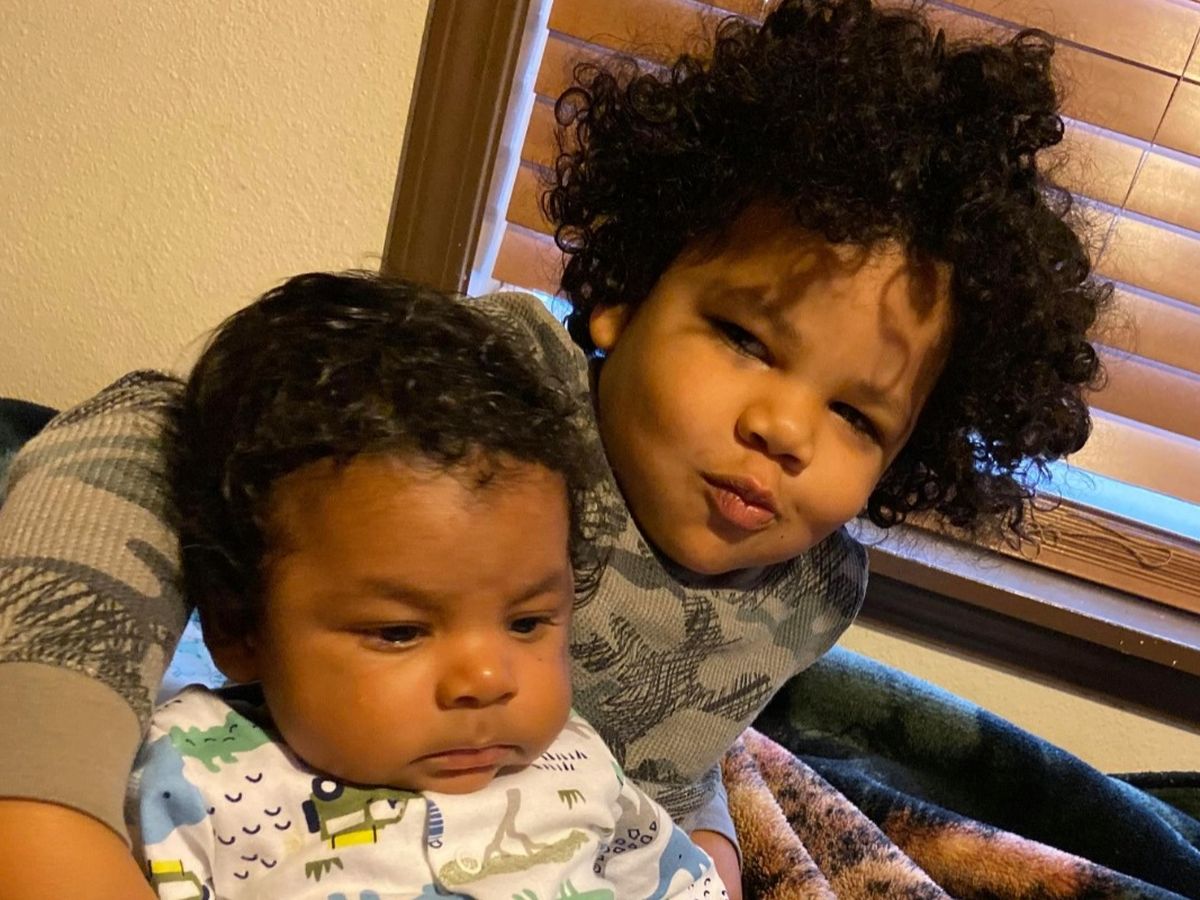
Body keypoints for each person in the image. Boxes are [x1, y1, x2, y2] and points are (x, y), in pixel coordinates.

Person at [0, 1, 1107, 897]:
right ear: (627, 289)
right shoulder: (504, 391)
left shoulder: (811, 586)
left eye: (859, 419)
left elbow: (666, 754)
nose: (784, 429)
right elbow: (155, 432)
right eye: (742, 338)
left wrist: (705, 844)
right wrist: (48, 794)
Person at [127, 272, 725, 898]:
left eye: (526, 623)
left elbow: (684, 885)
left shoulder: (578, 757)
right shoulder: (186, 775)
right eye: (399, 632)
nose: (488, 679)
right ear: (238, 626)